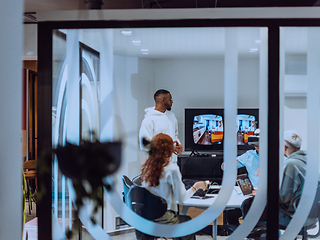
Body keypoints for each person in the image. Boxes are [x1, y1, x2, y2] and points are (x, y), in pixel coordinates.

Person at [140, 133, 207, 240]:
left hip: (146, 219)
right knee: (187, 221)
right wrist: (196, 186)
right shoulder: (172, 169)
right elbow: (181, 199)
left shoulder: (146, 168)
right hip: (165, 218)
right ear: (169, 150)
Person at [139, 89, 184, 163]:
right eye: (170, 99)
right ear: (163, 100)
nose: (172, 102)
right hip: (157, 164)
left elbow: (175, 135)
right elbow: (145, 145)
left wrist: (177, 146)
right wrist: (168, 148)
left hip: (173, 163)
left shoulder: (171, 116)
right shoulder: (149, 120)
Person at [279, 130, 306, 226]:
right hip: (308, 213)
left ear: (284, 147)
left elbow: (283, 197)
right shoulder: (307, 161)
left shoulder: (291, 163)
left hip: (291, 215)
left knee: (250, 205)